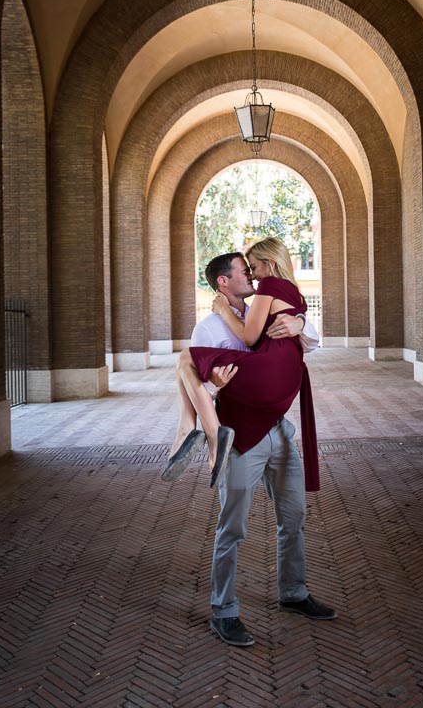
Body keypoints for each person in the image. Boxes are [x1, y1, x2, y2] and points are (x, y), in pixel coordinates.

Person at [162, 241, 336, 646]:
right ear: (224, 282)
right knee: (233, 526)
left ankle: (293, 592)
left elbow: (310, 338)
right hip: (239, 437)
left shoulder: (267, 303)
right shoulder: (209, 328)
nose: (251, 275)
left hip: (279, 429)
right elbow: (200, 382)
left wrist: (300, 326)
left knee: (293, 518)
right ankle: (224, 610)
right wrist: (215, 387)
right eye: (245, 271)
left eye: (252, 268)